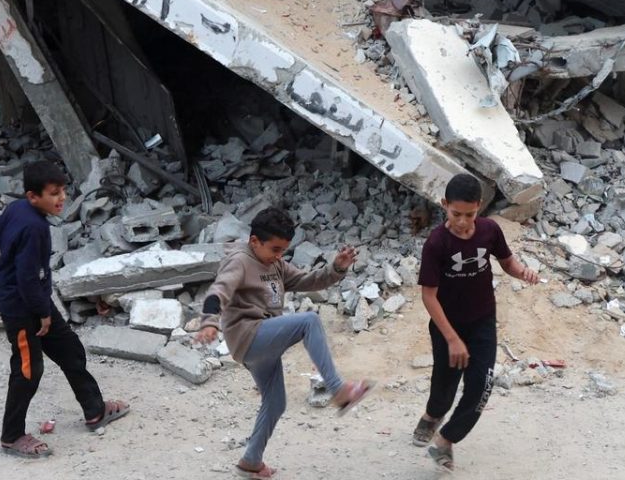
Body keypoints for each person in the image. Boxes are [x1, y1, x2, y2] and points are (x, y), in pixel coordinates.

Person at [0, 160, 130, 458]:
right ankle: (11, 436)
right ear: (33, 196)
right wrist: (43, 314)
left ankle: (95, 410)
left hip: (36, 301)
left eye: (62, 191)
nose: (62, 198)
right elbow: (25, 277)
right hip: (22, 309)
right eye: (54, 193)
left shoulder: (17, 209)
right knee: (27, 370)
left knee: (70, 350)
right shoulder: (35, 227)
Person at [196, 207, 373, 479]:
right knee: (308, 321)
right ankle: (338, 390)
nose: (279, 255)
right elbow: (219, 290)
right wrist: (209, 321)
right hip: (248, 334)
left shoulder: (275, 263)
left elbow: (306, 280)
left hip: (262, 341)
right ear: (255, 241)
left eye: (283, 250)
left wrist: (337, 268)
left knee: (276, 402)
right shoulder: (239, 261)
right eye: (275, 249)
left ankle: (250, 461)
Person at [412, 173, 540, 472]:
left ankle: (446, 440)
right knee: (445, 383)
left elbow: (507, 262)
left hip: (482, 320)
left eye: (469, 214)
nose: (462, 222)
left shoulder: (489, 230)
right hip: (447, 325)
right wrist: (452, 339)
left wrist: (523, 272)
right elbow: (429, 296)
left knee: (481, 385)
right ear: (444, 205)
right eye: (456, 214)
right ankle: (432, 415)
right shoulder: (436, 243)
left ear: (479, 207)